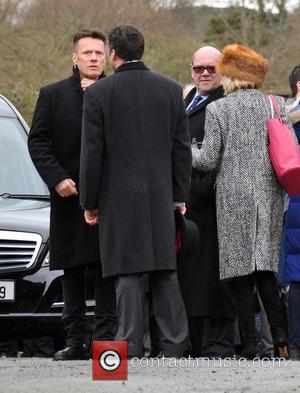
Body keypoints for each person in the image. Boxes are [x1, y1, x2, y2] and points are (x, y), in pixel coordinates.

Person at [80, 25, 192, 358]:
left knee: (126, 272)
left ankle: (128, 345)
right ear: (141, 50)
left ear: (112, 54)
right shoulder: (171, 90)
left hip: (117, 200)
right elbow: (181, 149)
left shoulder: (99, 94)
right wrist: (179, 195)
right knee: (164, 269)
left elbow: (92, 156)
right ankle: (175, 345)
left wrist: (90, 201)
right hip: (160, 196)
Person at [191, 43, 293, 359]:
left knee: (239, 276)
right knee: (265, 273)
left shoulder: (218, 109)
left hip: (233, 200)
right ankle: (281, 343)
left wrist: (186, 148)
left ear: (230, 75)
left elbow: (207, 160)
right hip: (269, 199)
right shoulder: (276, 104)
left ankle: (248, 345)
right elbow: (290, 149)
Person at [28, 29, 116, 361]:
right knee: (73, 272)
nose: (94, 58)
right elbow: (37, 141)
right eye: (87, 53)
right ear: (74, 57)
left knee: (109, 270)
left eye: (99, 53)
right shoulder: (52, 94)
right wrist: (56, 178)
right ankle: (75, 341)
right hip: (68, 198)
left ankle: (106, 341)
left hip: (109, 198)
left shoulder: (115, 91)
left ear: (107, 56)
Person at [177, 46, 235, 358]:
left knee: (215, 277)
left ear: (222, 70)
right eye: (199, 69)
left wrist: (204, 188)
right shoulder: (187, 100)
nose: (204, 74)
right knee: (190, 277)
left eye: (211, 69)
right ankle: (195, 343)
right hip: (186, 204)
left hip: (214, 204)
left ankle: (220, 345)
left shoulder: (225, 103)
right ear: (191, 70)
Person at [280, 65, 300, 361]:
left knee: (297, 278)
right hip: (296, 203)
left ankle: (296, 344)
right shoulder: (288, 118)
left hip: (293, 200)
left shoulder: (283, 117)